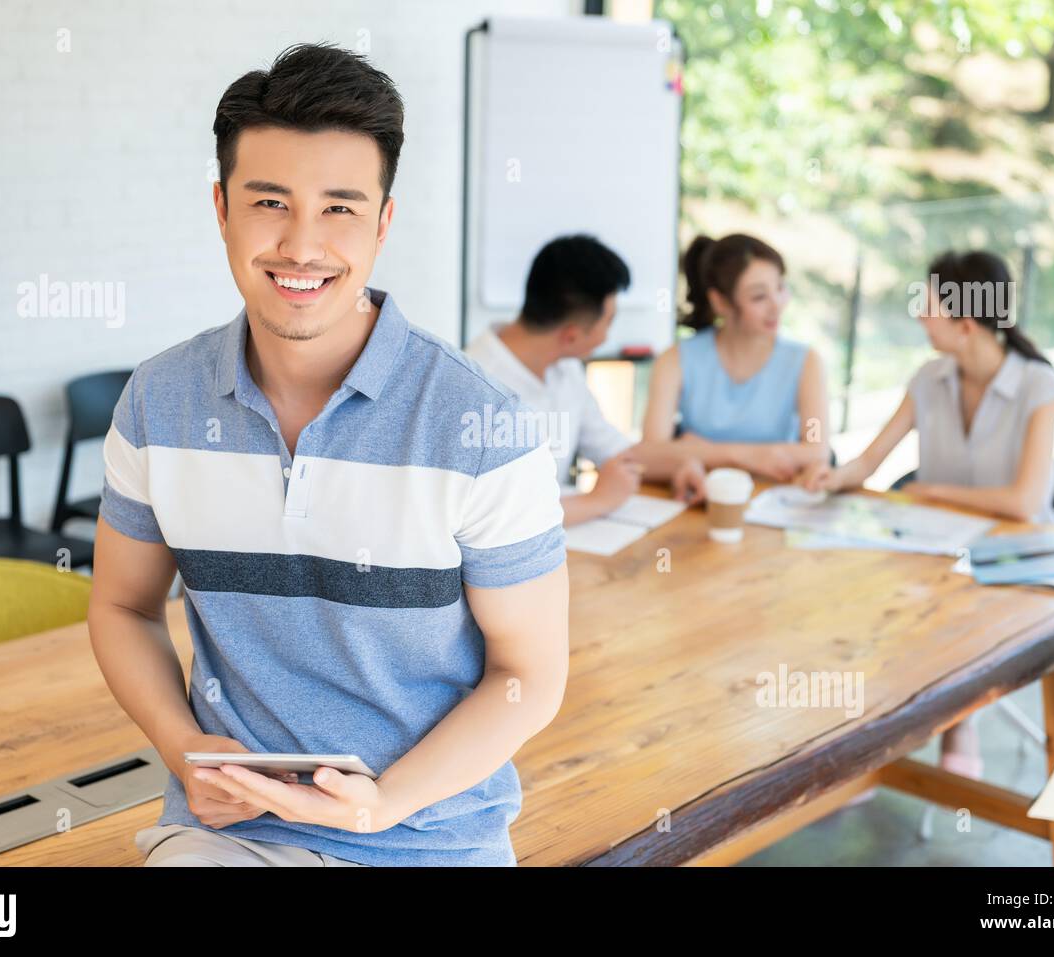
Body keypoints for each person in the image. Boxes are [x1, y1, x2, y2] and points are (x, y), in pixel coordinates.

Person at [88, 43, 569, 867]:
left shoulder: (482, 428)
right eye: (269, 201)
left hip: (430, 836)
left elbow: (529, 677)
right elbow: (123, 608)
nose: (302, 245)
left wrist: (387, 803)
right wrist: (181, 748)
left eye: (340, 207)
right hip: (228, 836)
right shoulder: (157, 404)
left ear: (384, 222)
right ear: (221, 209)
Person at [797, 249, 1054, 777]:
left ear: (965, 323)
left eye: (929, 306)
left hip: (1019, 564)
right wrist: (833, 476)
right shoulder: (929, 378)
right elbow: (871, 461)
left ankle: (953, 723)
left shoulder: (1039, 385)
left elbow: (1023, 501)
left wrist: (931, 490)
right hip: (940, 551)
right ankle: (859, 755)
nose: (920, 315)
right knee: (860, 603)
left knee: (937, 620)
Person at [465, 234, 707, 526]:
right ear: (571, 335)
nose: (608, 336)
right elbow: (491, 516)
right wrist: (598, 500)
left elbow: (615, 451)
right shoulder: (474, 384)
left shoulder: (565, 367)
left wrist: (678, 465)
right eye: (608, 322)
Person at [643, 233, 830, 481]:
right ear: (720, 302)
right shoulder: (674, 360)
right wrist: (747, 458)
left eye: (780, 288)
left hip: (772, 500)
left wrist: (699, 451)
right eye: (759, 297)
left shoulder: (806, 363)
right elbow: (648, 457)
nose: (777, 305)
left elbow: (816, 448)